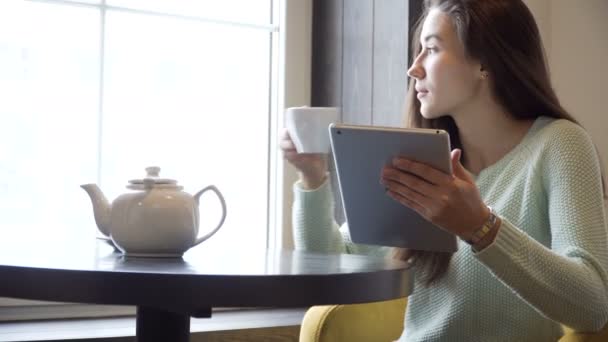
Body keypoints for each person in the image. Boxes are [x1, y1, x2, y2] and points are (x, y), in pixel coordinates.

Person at [280, 0, 608, 341]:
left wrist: (481, 228)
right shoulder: (420, 162)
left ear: (484, 61)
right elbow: (326, 267)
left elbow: (592, 306)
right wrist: (312, 176)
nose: (414, 68)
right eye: (418, 50)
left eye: (432, 49)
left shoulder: (559, 145)